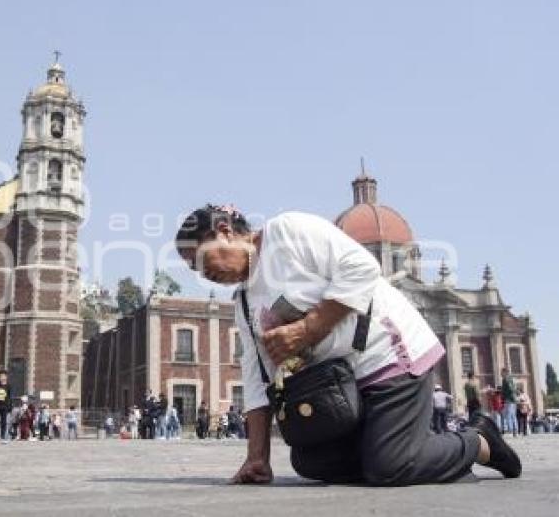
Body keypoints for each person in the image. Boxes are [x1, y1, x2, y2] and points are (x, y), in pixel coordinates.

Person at [175, 205, 521, 485]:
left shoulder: (287, 231)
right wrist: (257, 458)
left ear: (223, 231)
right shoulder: (244, 302)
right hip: (338, 390)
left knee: (389, 467)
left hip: (387, 356)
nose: (202, 274)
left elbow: (362, 267)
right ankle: (406, 447)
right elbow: (255, 377)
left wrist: (308, 328)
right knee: (311, 462)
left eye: (201, 260)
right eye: (194, 269)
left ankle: (477, 441)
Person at [500, 369, 518, 436]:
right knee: (513, 415)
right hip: (513, 399)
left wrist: (503, 396)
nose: (501, 374)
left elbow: (509, 389)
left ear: (504, 372)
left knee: (508, 414)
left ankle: (509, 429)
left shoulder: (505, 379)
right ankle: (515, 430)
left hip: (508, 399)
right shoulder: (512, 379)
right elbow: (514, 388)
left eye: (501, 373)